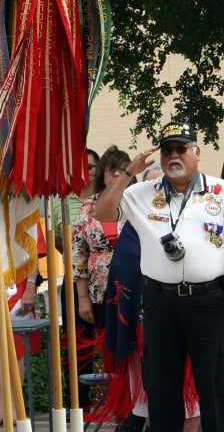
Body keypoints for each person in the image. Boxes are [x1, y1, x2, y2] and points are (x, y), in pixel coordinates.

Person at [94, 121, 224, 432]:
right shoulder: (141, 192)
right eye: (167, 151)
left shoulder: (219, 192)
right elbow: (102, 213)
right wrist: (129, 172)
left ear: (197, 152)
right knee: (162, 387)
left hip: (210, 302)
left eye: (181, 149)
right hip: (160, 303)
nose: (174, 156)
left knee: (215, 387)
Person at [54, 148, 99, 408]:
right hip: (73, 283)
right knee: (75, 346)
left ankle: (117, 404)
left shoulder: (106, 198)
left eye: (91, 167)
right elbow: (59, 240)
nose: (86, 172)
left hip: (104, 282)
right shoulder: (60, 199)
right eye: (80, 167)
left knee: (112, 343)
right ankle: (78, 405)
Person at [73, 145, 135, 329]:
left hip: (138, 287)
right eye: (110, 170)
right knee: (108, 343)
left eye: (122, 170)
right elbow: (78, 256)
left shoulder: (141, 204)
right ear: (102, 174)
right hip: (101, 291)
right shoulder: (87, 208)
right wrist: (83, 299)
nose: (116, 175)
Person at [0, 266, 39, 427]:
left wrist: (30, 288)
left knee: (15, 345)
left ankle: (15, 407)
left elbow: (33, 250)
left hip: (15, 283)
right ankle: (0, 407)